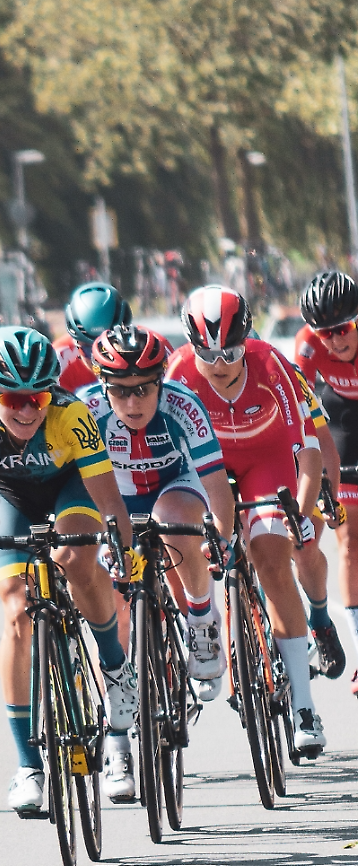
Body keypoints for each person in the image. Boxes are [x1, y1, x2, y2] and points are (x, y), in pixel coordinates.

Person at [0, 326, 139, 810]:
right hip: (7, 494)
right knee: (16, 610)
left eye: (38, 398)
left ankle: (114, 668)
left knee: (75, 557)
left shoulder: (72, 416)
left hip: (69, 487)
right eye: (14, 399)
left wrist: (123, 551)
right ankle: (28, 764)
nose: (28, 409)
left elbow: (110, 503)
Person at [166, 285, 327, 756]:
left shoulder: (270, 363)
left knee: (273, 560)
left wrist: (300, 509)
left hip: (267, 458)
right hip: (204, 465)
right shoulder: (177, 374)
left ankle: (304, 704)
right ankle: (205, 623)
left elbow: (308, 450)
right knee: (186, 543)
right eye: (207, 352)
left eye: (230, 350)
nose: (219, 363)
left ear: (247, 339)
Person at [78, 326, 236, 702]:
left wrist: (221, 537)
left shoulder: (182, 404)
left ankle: (200, 618)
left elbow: (217, 484)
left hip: (175, 485)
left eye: (144, 389)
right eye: (120, 390)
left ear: (160, 382)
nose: (133, 403)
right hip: (115, 498)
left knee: (174, 517)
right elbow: (74, 490)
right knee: (115, 601)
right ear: (103, 385)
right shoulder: (84, 410)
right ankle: (116, 726)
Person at [295, 269, 358, 688]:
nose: (334, 340)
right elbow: (296, 410)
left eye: (342, 329)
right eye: (325, 333)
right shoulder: (306, 346)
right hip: (342, 423)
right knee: (349, 536)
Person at [55, 283, 133, 393]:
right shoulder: (58, 359)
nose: (99, 360)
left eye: (106, 349)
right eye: (89, 351)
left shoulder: (149, 347)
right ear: (76, 344)